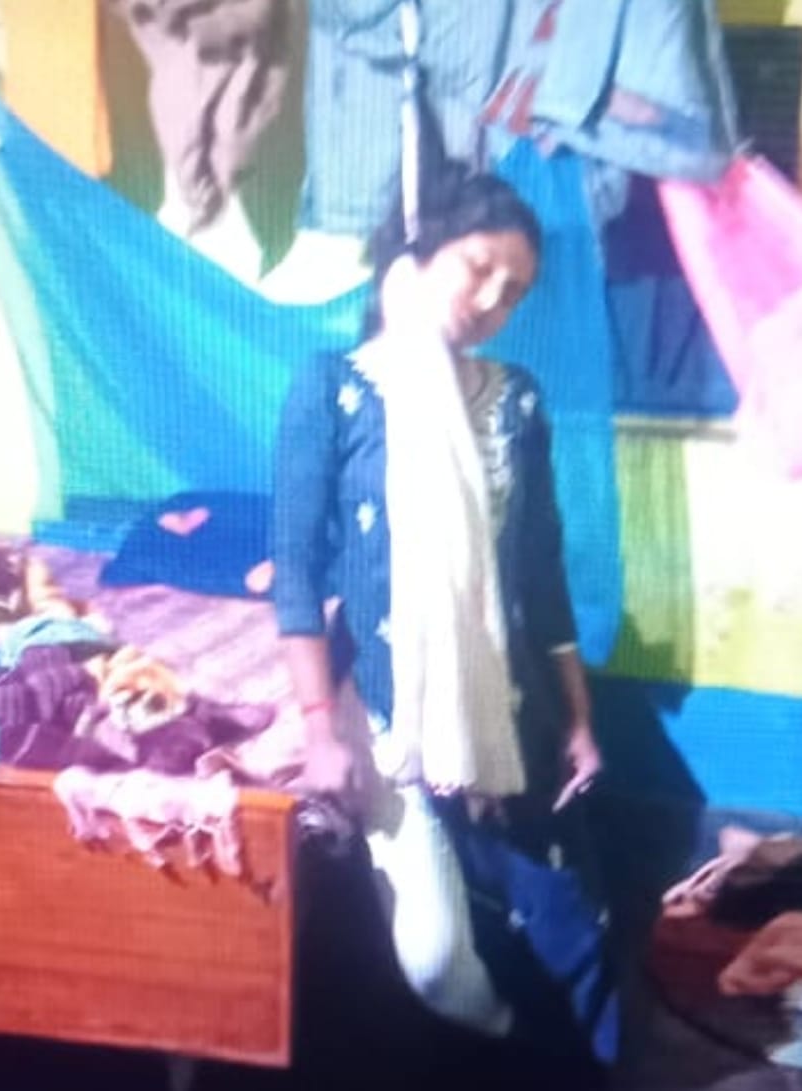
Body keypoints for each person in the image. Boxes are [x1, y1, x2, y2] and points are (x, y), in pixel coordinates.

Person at [273, 155, 603, 1042]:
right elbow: (294, 570)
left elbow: (540, 570)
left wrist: (577, 717)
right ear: (416, 258)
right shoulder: (335, 388)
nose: (492, 299)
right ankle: (501, 1032)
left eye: (514, 290)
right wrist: (317, 729)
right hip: (389, 714)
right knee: (431, 957)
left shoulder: (515, 401)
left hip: (505, 698)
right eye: (478, 267)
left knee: (558, 915)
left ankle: (548, 1047)